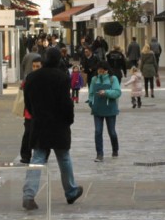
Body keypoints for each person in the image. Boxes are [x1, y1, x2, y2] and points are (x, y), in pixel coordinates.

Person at [22, 47, 84, 210]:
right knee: (63, 158)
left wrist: (35, 114)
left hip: (40, 123)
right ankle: (70, 191)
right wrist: (69, 120)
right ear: (58, 61)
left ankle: (29, 195)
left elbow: (27, 102)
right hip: (58, 124)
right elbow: (66, 102)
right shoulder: (62, 78)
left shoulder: (32, 77)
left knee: (37, 159)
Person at [87, 61, 121, 162]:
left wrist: (106, 92)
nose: (100, 71)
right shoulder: (94, 79)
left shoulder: (112, 79)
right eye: (99, 70)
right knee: (98, 131)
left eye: (102, 70)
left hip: (110, 109)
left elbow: (117, 92)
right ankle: (99, 154)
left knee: (112, 132)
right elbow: (91, 93)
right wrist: (91, 102)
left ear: (106, 69)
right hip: (97, 109)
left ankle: (115, 149)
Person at [18, 58, 43, 164]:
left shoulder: (45, 77)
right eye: (34, 66)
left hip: (41, 112)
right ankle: (25, 155)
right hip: (29, 112)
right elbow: (23, 90)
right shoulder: (29, 77)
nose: (35, 68)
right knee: (28, 133)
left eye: (38, 66)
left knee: (41, 134)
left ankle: (42, 154)